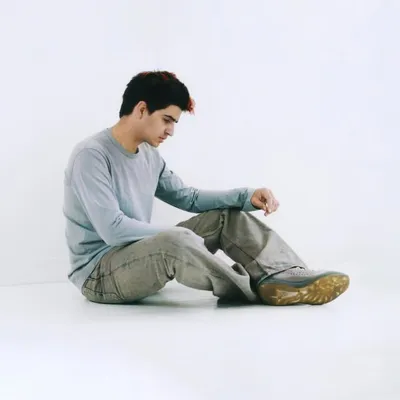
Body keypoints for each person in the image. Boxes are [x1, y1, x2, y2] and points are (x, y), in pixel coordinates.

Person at [63, 70, 349, 306]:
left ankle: (286, 275)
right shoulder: (92, 155)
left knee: (225, 217)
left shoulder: (149, 156)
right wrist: (178, 234)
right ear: (141, 109)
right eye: (166, 120)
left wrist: (245, 197)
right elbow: (113, 230)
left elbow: (189, 198)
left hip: (138, 255)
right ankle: (256, 291)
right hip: (98, 275)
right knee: (175, 240)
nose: (171, 131)